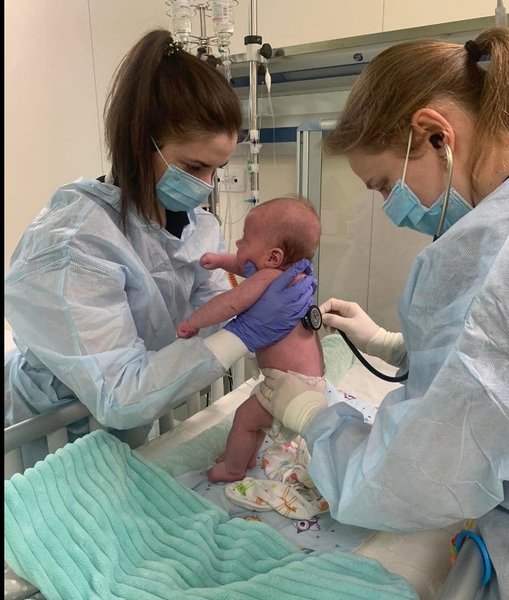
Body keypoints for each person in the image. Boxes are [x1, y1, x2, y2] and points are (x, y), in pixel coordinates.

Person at [257, 28, 509, 599]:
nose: (392, 210)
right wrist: (389, 343)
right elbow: (480, 367)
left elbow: (411, 475)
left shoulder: (494, 256)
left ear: (435, 134)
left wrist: (315, 418)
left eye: (385, 185)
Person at [3, 29, 315, 465]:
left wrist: (261, 298)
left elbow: (211, 315)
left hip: (138, 417)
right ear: (140, 142)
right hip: (50, 437)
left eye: (217, 169)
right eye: (194, 166)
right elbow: (119, 394)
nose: (206, 185)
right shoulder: (73, 245)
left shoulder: (199, 228)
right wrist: (244, 331)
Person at [177, 197, 325, 483]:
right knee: (256, 418)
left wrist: (193, 322)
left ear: (273, 258)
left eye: (244, 239)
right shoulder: (290, 278)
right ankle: (244, 456)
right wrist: (219, 261)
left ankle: (233, 468)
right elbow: (244, 265)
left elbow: (230, 303)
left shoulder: (268, 278)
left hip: (289, 386)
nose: (237, 243)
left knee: (245, 419)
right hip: (308, 381)